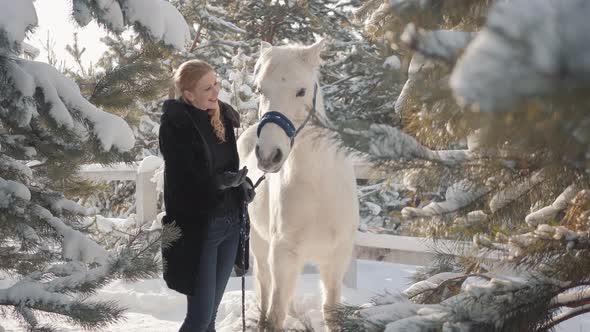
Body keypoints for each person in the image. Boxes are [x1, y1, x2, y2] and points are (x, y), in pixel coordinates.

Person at [158, 59, 255, 332]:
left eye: (216, 84)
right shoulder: (176, 127)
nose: (216, 92)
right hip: (200, 229)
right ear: (189, 95)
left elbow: (226, 167)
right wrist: (220, 183)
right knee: (199, 319)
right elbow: (182, 184)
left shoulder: (221, 117)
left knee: (210, 318)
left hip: (230, 223)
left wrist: (240, 184)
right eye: (207, 88)